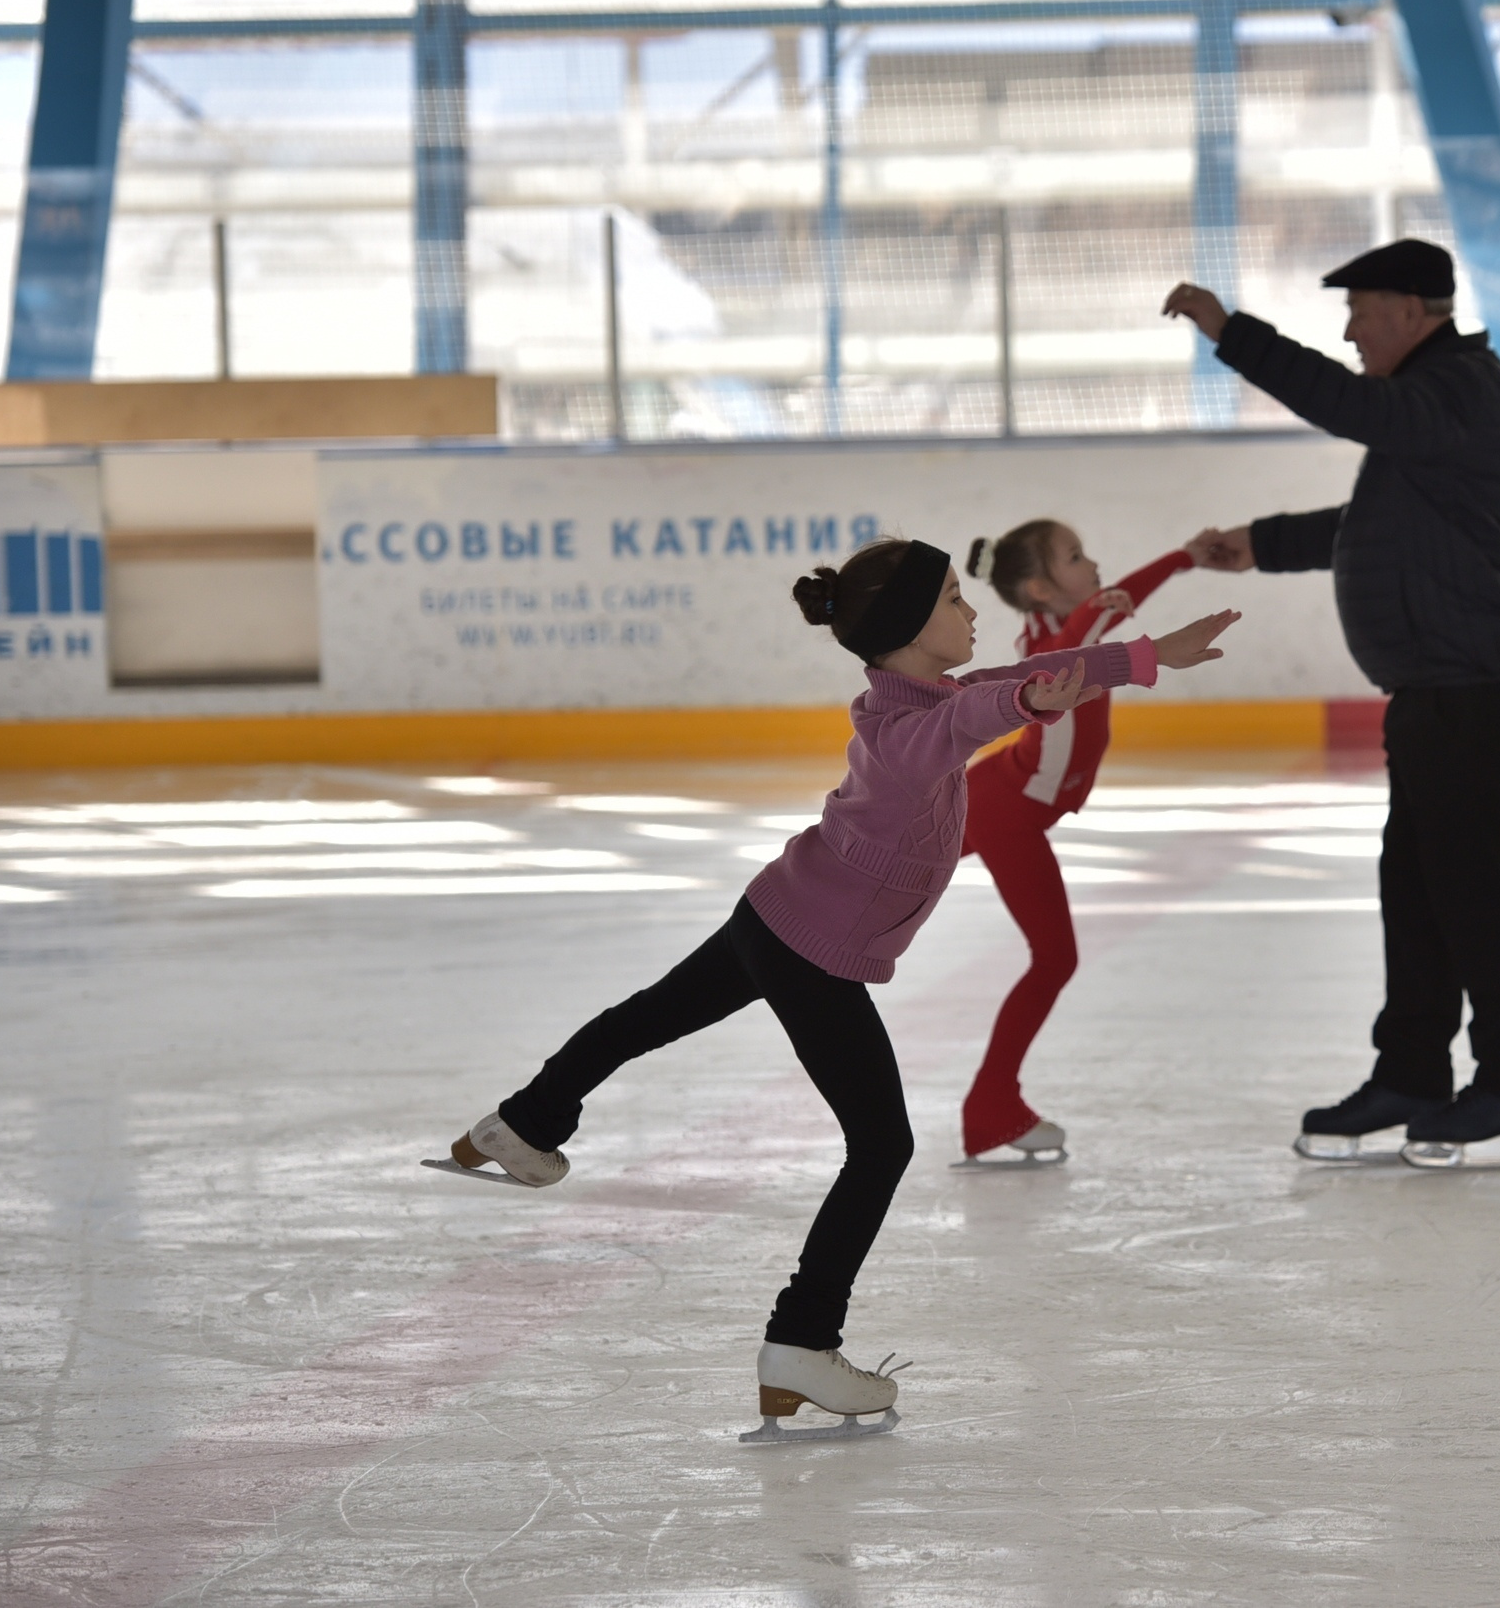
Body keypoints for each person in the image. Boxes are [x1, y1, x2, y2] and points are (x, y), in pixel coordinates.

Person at [435, 538, 1239, 1433]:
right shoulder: (912, 732)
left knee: (644, 1019)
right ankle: (801, 1343)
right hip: (808, 949)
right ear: (906, 630)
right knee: (881, 1144)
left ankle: (522, 1122)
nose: (970, 614)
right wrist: (1024, 701)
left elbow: (1023, 676)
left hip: (775, 910)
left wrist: (1147, 656)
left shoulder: (918, 692)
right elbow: (975, 721)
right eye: (951, 600)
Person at [1161, 238, 1500, 1166]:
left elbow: (1345, 405)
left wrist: (1232, 333)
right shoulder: (1434, 406)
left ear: (1417, 312)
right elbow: (1379, 527)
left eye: (1362, 311)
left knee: (1470, 886)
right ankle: (1414, 1071)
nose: (1348, 331)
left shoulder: (1454, 388)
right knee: (1418, 887)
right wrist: (1262, 543)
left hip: (1468, 678)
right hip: (1436, 681)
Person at [956, 520, 1205, 1164]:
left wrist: (1183, 555)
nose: (1093, 565)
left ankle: (991, 1104)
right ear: (1040, 587)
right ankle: (991, 1106)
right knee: (1054, 958)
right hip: (1005, 811)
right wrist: (1114, 598)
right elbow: (1078, 640)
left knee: (879, 885)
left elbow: (1096, 620)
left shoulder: (1071, 625)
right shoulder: (1060, 639)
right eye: (1076, 558)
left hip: (1000, 802)